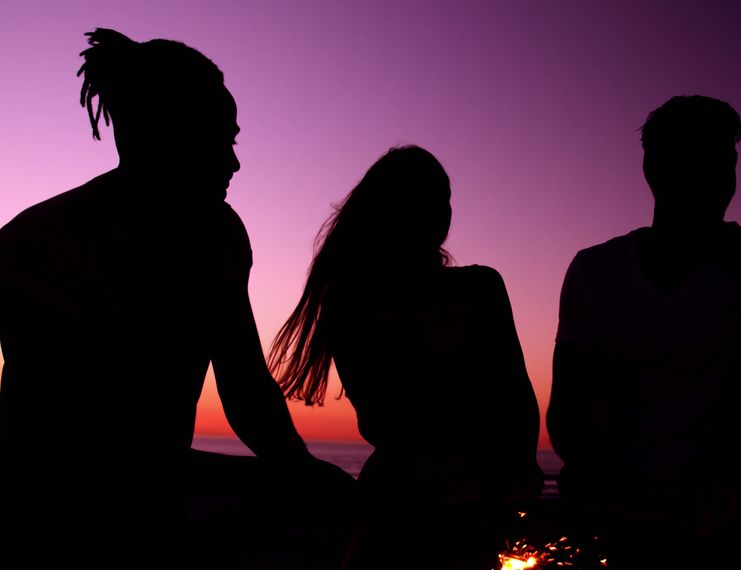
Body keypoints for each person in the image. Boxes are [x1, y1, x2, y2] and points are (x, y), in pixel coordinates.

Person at [0, 29, 344, 567]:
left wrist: (299, 471)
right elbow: (73, 449)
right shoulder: (39, 243)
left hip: (151, 520)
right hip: (44, 528)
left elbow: (246, 387)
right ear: (164, 133)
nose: (234, 163)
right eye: (220, 139)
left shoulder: (219, 235)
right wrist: (292, 476)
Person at [548, 96, 741, 568]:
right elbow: (569, 414)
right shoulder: (594, 271)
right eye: (700, 158)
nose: (718, 175)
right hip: (620, 516)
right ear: (654, 168)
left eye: (725, 161)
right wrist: (611, 483)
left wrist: (731, 482)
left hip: (727, 519)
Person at [268, 145, 542, 569]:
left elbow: (517, 405)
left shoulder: (476, 289)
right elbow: (386, 416)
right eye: (433, 197)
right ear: (396, 208)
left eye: (447, 199)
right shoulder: (355, 299)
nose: (445, 211)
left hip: (434, 502)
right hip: (414, 507)